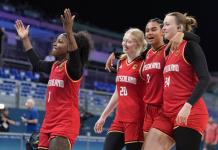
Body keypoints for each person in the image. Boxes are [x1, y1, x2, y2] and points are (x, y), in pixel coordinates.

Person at [105, 18, 200, 150]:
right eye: (147, 30)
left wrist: (182, 33)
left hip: (164, 108)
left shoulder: (169, 49)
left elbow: (194, 40)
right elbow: (133, 53)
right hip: (148, 110)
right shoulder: (148, 53)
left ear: (163, 31)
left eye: (154, 29)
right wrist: (115, 54)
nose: (149, 32)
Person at [15, 8, 92, 150]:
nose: (55, 43)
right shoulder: (54, 65)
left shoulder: (73, 69)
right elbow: (36, 64)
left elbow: (75, 57)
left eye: (60, 42)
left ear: (69, 47)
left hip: (65, 123)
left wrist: (69, 31)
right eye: (56, 41)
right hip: (48, 122)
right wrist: (25, 39)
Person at [161, 12, 210, 150]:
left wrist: (187, 106)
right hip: (168, 114)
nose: (163, 27)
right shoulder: (167, 51)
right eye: (163, 24)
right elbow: (145, 49)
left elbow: (205, 78)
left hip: (189, 113)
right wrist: (117, 55)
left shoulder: (190, 46)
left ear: (179, 28)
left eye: (167, 24)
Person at [94, 28, 147, 150]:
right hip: (119, 119)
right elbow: (118, 91)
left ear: (138, 44)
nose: (124, 43)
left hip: (136, 120)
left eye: (129, 41)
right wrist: (103, 116)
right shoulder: (121, 62)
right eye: (124, 40)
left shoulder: (144, 64)